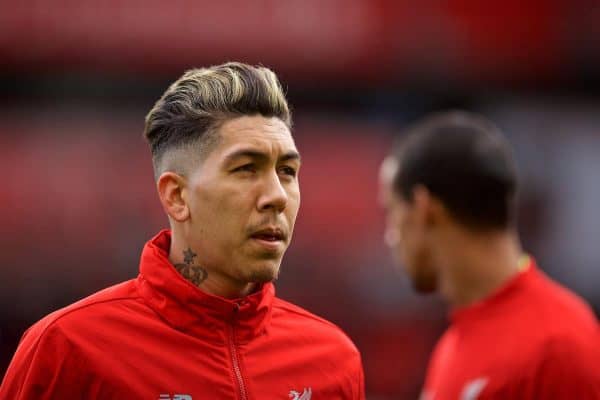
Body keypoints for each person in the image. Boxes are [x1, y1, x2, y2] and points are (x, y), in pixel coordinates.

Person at [1, 62, 365, 399]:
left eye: (287, 171)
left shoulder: (333, 361)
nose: (276, 196)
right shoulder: (67, 349)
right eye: (245, 169)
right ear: (176, 196)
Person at [379, 111, 600, 399]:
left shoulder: (558, 347)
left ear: (424, 210)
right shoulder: (452, 346)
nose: (390, 236)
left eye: (391, 213)